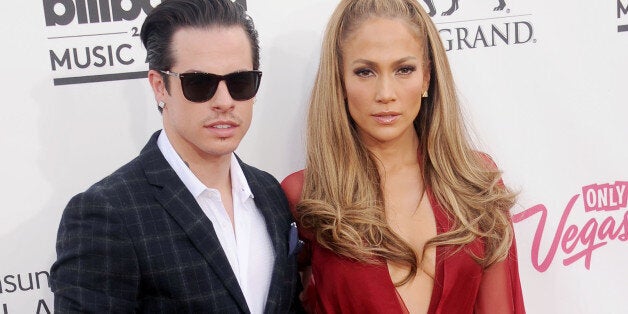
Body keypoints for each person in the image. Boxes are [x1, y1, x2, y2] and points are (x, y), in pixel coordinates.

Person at [50, 0, 301, 312]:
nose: (224, 101)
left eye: (240, 82)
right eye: (199, 83)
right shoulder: (107, 213)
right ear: (159, 86)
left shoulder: (270, 194)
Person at [281, 0, 525, 313]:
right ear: (339, 80)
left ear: (426, 78)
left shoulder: (474, 181)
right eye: (365, 71)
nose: (385, 93)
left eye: (404, 70)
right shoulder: (306, 196)